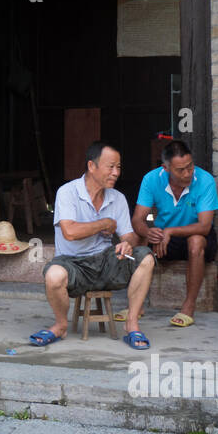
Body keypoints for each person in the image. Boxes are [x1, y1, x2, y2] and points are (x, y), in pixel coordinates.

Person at [33, 142, 156, 350]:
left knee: (146, 257)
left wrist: (127, 244)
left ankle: (132, 324)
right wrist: (104, 224)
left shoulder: (117, 198)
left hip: (106, 262)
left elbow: (129, 236)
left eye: (119, 167)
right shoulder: (68, 192)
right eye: (111, 167)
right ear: (92, 166)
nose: (116, 173)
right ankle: (60, 325)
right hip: (73, 263)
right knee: (53, 275)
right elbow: (70, 232)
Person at [132, 139, 218, 327]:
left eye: (190, 166)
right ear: (166, 168)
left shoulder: (205, 180)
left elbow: (204, 226)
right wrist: (150, 233)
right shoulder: (151, 179)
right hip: (165, 238)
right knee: (135, 237)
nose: (188, 173)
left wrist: (170, 231)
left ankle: (188, 306)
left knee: (195, 241)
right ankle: (135, 305)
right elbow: (138, 220)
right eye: (181, 170)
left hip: (197, 236)